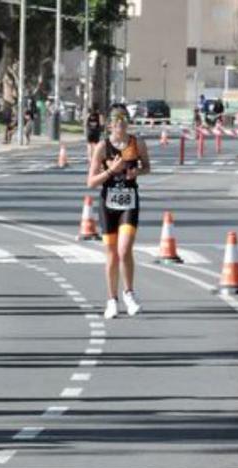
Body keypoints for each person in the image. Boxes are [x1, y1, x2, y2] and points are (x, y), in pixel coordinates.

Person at [87, 103, 150, 319]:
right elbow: (91, 182)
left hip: (129, 201)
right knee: (112, 253)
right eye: (116, 123)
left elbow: (148, 167)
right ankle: (111, 299)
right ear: (110, 125)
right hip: (108, 204)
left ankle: (129, 294)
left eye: (123, 122)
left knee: (125, 250)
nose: (120, 127)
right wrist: (111, 171)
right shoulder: (102, 147)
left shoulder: (137, 143)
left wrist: (136, 173)